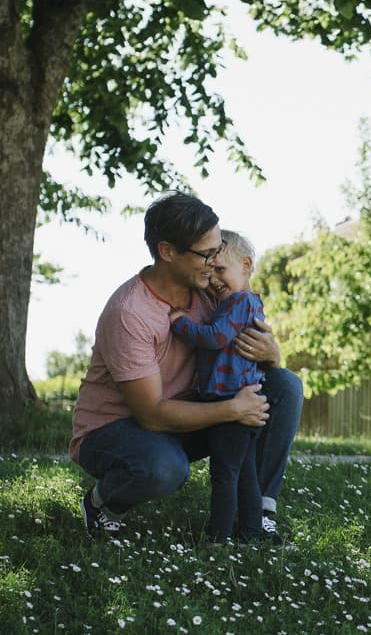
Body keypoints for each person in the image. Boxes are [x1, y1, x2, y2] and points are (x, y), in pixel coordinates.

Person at [70, 192, 303, 542]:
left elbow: (247, 352)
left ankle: (258, 512)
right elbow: (151, 415)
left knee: (284, 385)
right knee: (164, 468)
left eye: (217, 251)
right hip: (117, 429)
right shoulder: (130, 312)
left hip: (193, 407)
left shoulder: (210, 291)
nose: (214, 262)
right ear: (167, 252)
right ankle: (101, 503)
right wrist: (232, 410)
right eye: (206, 254)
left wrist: (271, 354)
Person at [168, 230, 272, 544]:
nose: (213, 278)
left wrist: (180, 323)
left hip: (233, 400)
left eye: (221, 269)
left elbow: (215, 337)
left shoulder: (240, 302)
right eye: (210, 269)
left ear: (246, 265)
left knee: (225, 474)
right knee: (245, 474)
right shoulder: (245, 302)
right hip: (242, 400)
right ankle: (252, 532)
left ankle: (218, 538)